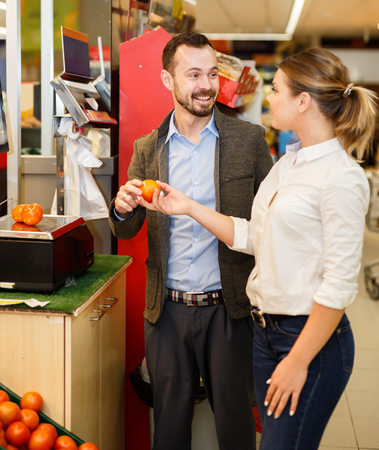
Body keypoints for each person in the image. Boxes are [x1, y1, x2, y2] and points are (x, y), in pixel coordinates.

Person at [141, 47, 378, 449]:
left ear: (303, 102)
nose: (268, 96)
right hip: (267, 333)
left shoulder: (342, 177)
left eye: (277, 89)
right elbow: (254, 236)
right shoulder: (289, 164)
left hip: (308, 340)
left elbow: (338, 286)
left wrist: (298, 360)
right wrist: (189, 207)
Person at [108, 32, 273, 450]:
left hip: (230, 310)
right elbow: (125, 229)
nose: (206, 85)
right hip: (166, 314)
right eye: (194, 74)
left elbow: (271, 229)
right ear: (168, 80)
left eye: (212, 73)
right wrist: (124, 208)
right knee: (169, 429)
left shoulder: (249, 141)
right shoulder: (148, 148)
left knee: (236, 430)